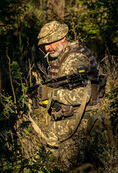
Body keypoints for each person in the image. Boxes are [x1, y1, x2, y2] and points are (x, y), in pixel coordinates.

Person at [26, 21, 105, 160]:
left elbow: (83, 96)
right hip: (69, 124)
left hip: (79, 125)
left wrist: (50, 93)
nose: (47, 47)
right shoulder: (63, 56)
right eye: (45, 44)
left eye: (50, 42)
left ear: (63, 38)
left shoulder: (73, 60)